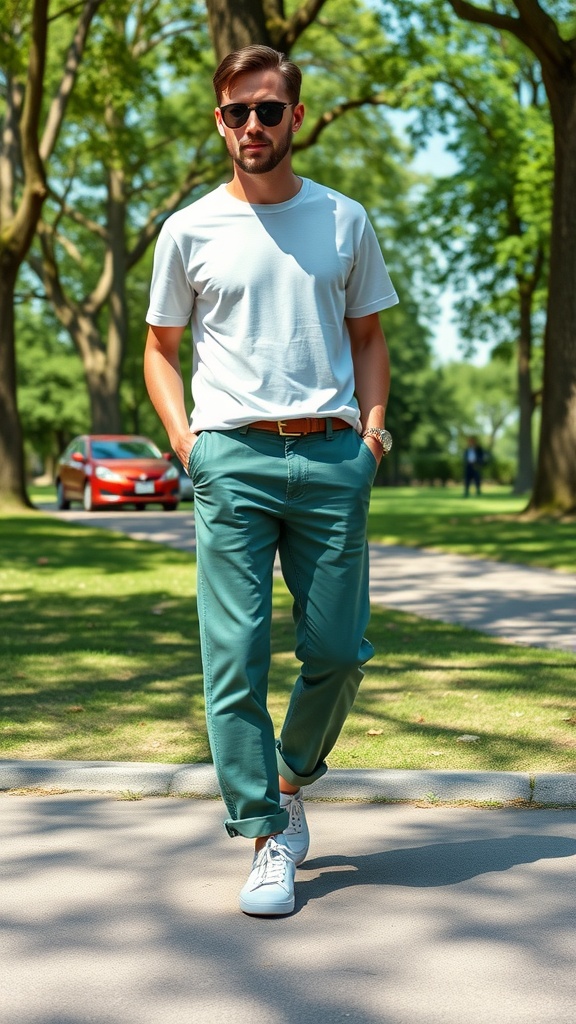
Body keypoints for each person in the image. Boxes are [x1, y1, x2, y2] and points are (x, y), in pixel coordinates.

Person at [144, 44, 398, 917]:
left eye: (265, 110)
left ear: (296, 116)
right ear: (219, 121)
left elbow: (368, 337)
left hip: (332, 459)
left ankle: (289, 778)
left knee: (338, 652)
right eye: (234, 113)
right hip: (233, 462)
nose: (250, 125)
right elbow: (160, 351)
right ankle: (263, 837)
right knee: (234, 659)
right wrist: (189, 445)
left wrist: (370, 440)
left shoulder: (343, 220)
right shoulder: (188, 229)